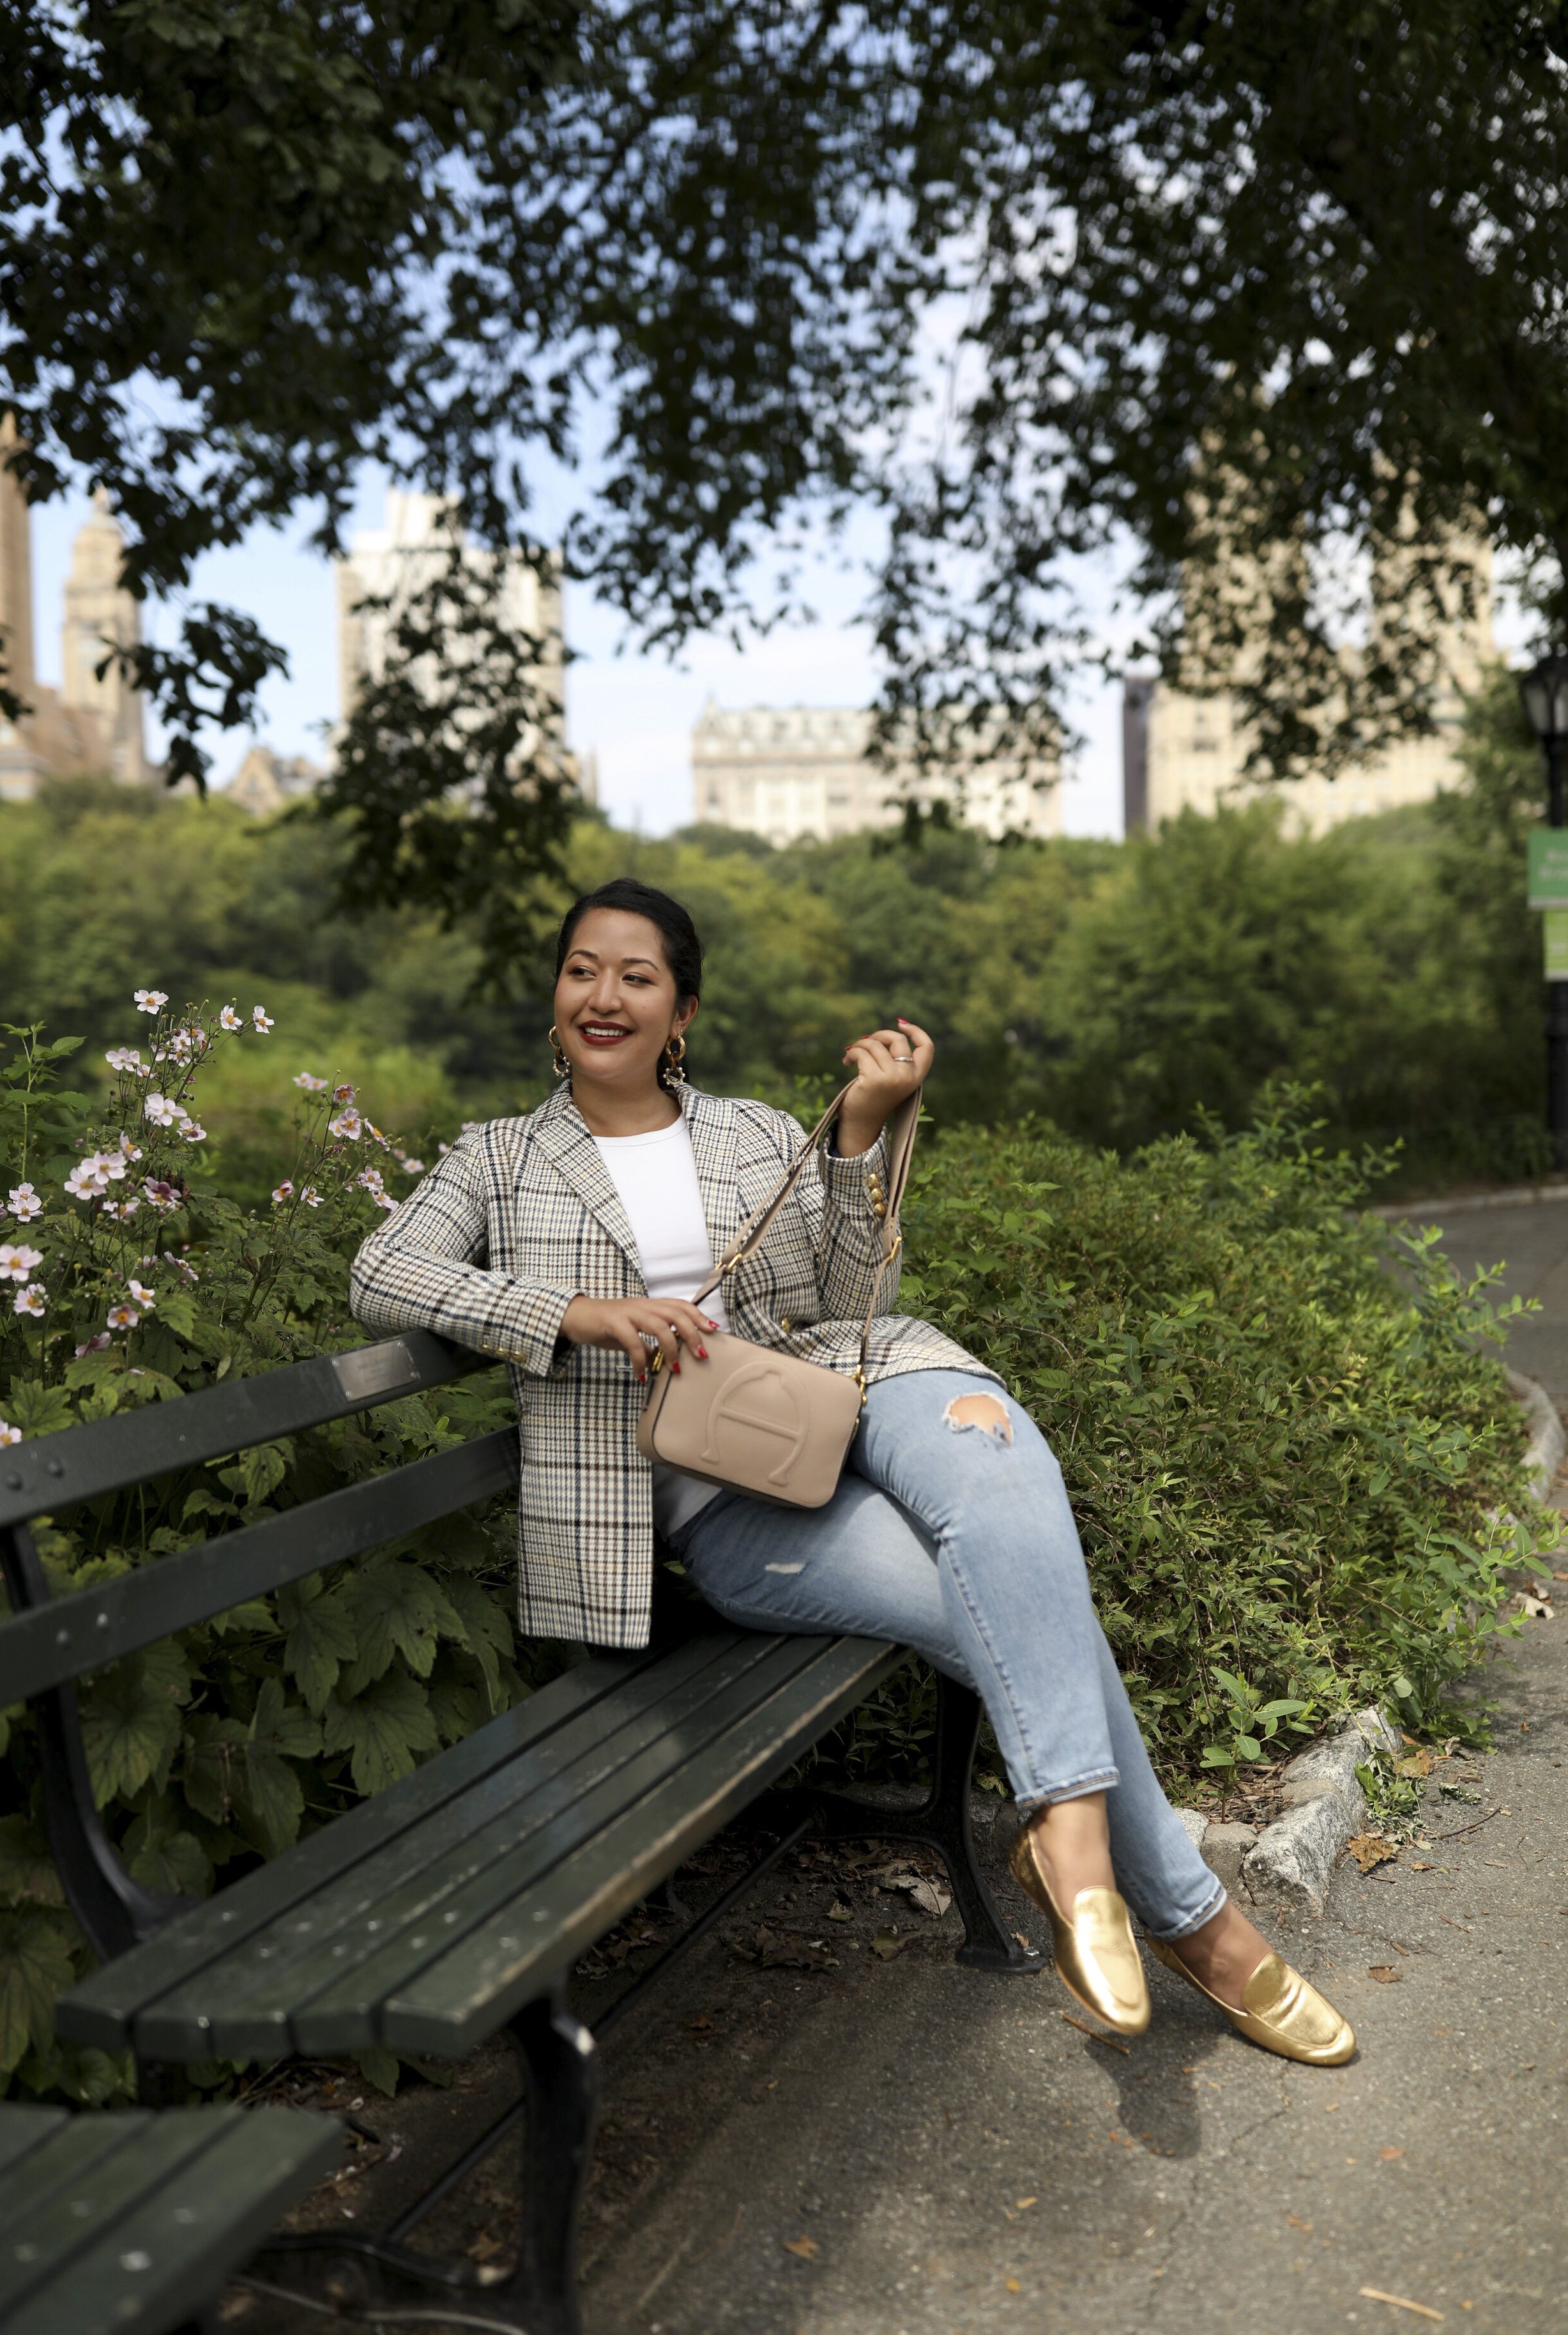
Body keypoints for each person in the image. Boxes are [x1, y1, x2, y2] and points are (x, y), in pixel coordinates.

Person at [350, 877, 1353, 2065]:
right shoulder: (503, 1159)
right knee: (1014, 1603)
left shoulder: (755, 1131)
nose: (603, 995)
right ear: (556, 994)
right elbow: (384, 1272)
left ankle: (1070, 1834)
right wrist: (578, 1312)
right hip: (728, 1499)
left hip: (854, 1388)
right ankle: (1200, 1923)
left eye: (637, 975)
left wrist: (863, 1130)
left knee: (998, 1456)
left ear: (682, 1013)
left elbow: (850, 1302)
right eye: (581, 969)